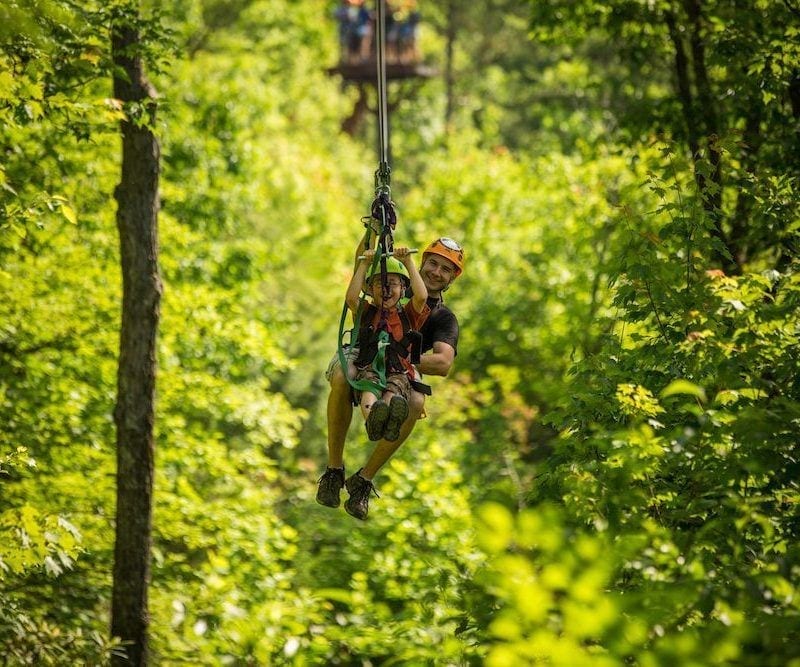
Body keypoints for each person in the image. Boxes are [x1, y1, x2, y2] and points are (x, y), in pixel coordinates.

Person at [317, 235, 465, 520]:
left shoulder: (442, 317)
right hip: (363, 351)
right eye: (433, 264)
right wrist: (372, 232)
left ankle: (364, 480)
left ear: (452, 279)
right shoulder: (393, 280)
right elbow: (360, 269)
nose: (436, 272)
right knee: (341, 375)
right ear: (421, 262)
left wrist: (399, 356)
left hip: (399, 367)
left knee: (417, 401)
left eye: (445, 270)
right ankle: (334, 470)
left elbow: (444, 361)